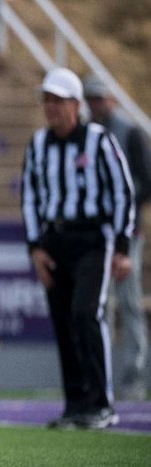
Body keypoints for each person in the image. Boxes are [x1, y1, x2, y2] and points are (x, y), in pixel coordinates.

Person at [20, 67, 136, 429]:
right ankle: (75, 405)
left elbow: (123, 192)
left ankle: (101, 403)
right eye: (47, 101)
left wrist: (121, 245)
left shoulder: (99, 140)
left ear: (76, 104)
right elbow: (30, 198)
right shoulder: (38, 145)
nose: (51, 108)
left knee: (87, 313)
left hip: (91, 241)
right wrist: (35, 248)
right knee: (64, 322)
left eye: (57, 101)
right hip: (54, 243)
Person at [84, 74, 151, 401]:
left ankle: (134, 375)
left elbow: (146, 181)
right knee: (100, 306)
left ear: (111, 99)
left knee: (128, 303)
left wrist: (119, 198)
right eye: (90, 99)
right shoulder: (87, 135)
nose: (95, 105)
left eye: (99, 98)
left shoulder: (130, 132)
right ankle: (102, 378)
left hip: (126, 233)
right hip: (97, 234)